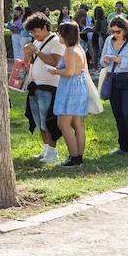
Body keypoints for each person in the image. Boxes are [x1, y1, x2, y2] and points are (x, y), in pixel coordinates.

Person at [101, 15, 128, 159]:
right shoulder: (109, 40)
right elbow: (102, 62)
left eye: (118, 31)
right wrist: (105, 60)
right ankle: (124, 145)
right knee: (118, 115)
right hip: (113, 79)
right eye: (112, 31)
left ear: (126, 30)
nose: (115, 34)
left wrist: (122, 61)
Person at [22, 14, 63, 164]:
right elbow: (27, 63)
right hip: (35, 85)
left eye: (35, 31)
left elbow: (54, 61)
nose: (34, 35)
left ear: (45, 27)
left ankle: (53, 151)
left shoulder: (56, 41)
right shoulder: (37, 42)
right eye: (31, 33)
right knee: (39, 121)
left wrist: (37, 52)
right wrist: (27, 53)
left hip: (49, 86)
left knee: (48, 120)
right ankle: (46, 149)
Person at [46, 21, 88, 168]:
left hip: (70, 88)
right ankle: (78, 156)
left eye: (60, 32)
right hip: (79, 86)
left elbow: (70, 72)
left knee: (63, 123)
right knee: (77, 122)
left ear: (65, 34)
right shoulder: (79, 48)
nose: (58, 35)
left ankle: (74, 157)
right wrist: (59, 67)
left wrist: (56, 71)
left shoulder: (70, 50)